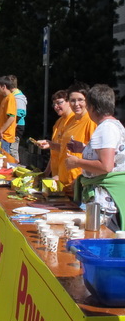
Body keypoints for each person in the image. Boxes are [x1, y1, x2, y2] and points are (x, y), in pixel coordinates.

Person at [66, 85, 125, 231]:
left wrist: (76, 162)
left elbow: (106, 166)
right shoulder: (113, 125)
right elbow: (110, 153)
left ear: (92, 107)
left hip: (106, 201)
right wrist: (83, 149)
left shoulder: (105, 128)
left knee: (102, 236)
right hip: (108, 197)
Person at [57, 83, 96, 194]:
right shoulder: (70, 120)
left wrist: (80, 178)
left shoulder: (90, 121)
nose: (76, 104)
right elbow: (64, 149)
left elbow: (96, 154)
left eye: (80, 100)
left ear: (87, 101)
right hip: (64, 182)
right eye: (72, 100)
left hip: (79, 184)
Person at [36, 90, 73, 178]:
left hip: (68, 176)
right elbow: (54, 152)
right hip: (56, 176)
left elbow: (70, 150)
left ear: (69, 102)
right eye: (54, 104)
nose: (56, 107)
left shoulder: (74, 121)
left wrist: (50, 144)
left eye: (59, 103)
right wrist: (46, 172)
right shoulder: (58, 122)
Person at [0, 75, 16, 155]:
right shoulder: (5, 98)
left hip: (5, 136)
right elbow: (2, 118)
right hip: (1, 134)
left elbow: (11, 117)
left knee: (4, 158)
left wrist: (1, 131)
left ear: (3, 87)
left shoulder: (10, 98)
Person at [9, 75, 27, 163]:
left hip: (17, 126)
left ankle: (14, 165)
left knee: (13, 149)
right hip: (13, 125)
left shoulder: (18, 97)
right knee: (10, 149)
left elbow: (19, 113)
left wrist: (12, 126)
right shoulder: (13, 96)